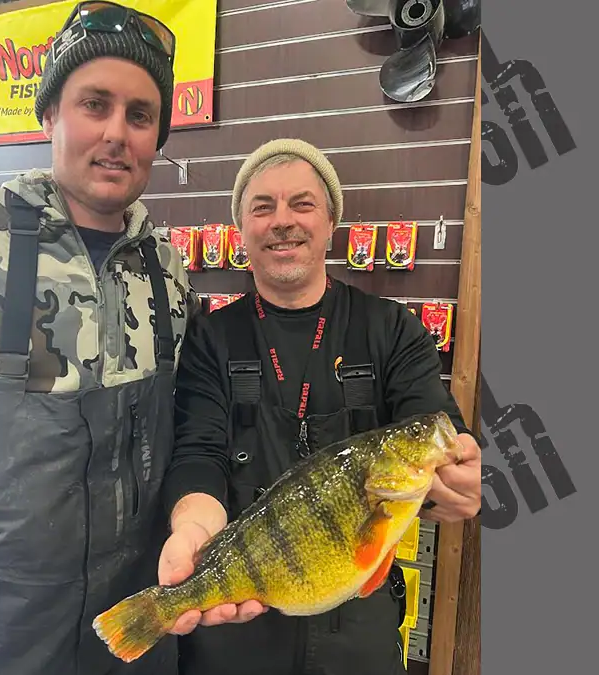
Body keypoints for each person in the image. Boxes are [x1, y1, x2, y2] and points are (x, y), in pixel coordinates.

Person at [0, 3, 195, 674]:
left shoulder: (167, 267)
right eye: (93, 104)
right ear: (49, 114)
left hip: (134, 620)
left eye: (139, 115)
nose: (116, 134)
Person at [158, 139, 483, 675]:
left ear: (331, 220)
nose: (283, 221)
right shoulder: (210, 338)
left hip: (360, 630)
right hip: (234, 628)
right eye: (263, 207)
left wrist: (460, 479)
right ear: (242, 230)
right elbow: (198, 452)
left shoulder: (391, 329)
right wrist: (192, 532)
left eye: (302, 204)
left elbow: (438, 427)